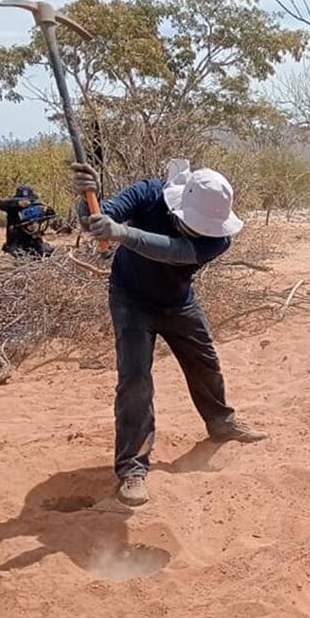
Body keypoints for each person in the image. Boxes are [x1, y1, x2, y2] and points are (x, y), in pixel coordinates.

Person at [71, 159, 267, 506]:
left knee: (204, 360)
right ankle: (132, 467)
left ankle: (221, 422)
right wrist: (85, 202)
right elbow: (98, 218)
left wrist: (122, 233)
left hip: (178, 302)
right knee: (135, 380)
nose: (201, 231)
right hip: (130, 299)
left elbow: (173, 252)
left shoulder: (218, 240)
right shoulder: (148, 193)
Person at [0, 185, 55, 258]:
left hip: (34, 240)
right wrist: (18, 203)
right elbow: (1, 204)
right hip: (16, 241)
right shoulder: (12, 210)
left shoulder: (34, 209)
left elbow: (51, 214)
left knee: (46, 252)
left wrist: (46, 210)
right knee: (18, 254)